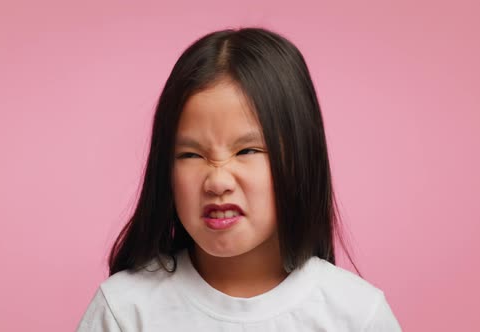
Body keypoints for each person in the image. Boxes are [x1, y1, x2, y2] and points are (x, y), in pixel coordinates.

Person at [76, 27, 402, 331]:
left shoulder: (358, 315)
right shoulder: (124, 310)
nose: (218, 181)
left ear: (301, 159)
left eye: (247, 150)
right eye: (191, 155)